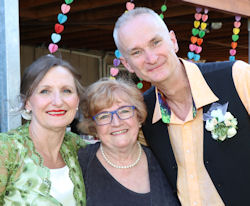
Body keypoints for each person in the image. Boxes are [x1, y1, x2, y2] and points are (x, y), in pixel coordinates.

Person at [113, 7, 250, 206]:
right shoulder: (142, 113)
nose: (151, 58)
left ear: (173, 41)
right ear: (128, 65)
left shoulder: (237, 77)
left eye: (155, 42)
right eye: (137, 52)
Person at [77, 78, 180, 206]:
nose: (116, 122)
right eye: (104, 116)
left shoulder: (165, 160)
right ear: (94, 127)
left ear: (139, 117)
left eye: (124, 111)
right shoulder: (79, 163)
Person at [0, 55, 87, 205]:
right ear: (27, 102)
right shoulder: (7, 149)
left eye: (66, 90)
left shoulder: (81, 149)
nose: (58, 102)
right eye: (45, 91)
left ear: (77, 100)